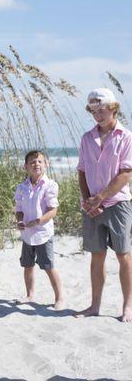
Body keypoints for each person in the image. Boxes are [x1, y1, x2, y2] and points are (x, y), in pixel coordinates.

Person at [75, 87, 132, 323]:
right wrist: (90, 201)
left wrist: (101, 198)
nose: (97, 113)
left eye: (101, 109)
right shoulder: (87, 138)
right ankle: (94, 305)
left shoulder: (126, 136)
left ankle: (128, 306)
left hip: (118, 204)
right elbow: (82, 171)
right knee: (96, 256)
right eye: (93, 110)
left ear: (113, 108)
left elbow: (126, 173)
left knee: (124, 255)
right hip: (91, 206)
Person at [14, 150, 64, 310]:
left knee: (48, 266)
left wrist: (38, 221)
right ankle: (29, 294)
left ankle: (60, 297)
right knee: (27, 265)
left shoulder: (50, 185)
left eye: (40, 161)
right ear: (26, 167)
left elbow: (52, 210)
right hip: (27, 234)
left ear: (46, 165)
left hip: (43, 232)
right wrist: (20, 221)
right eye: (32, 162)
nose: (36, 164)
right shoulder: (22, 187)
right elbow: (19, 209)